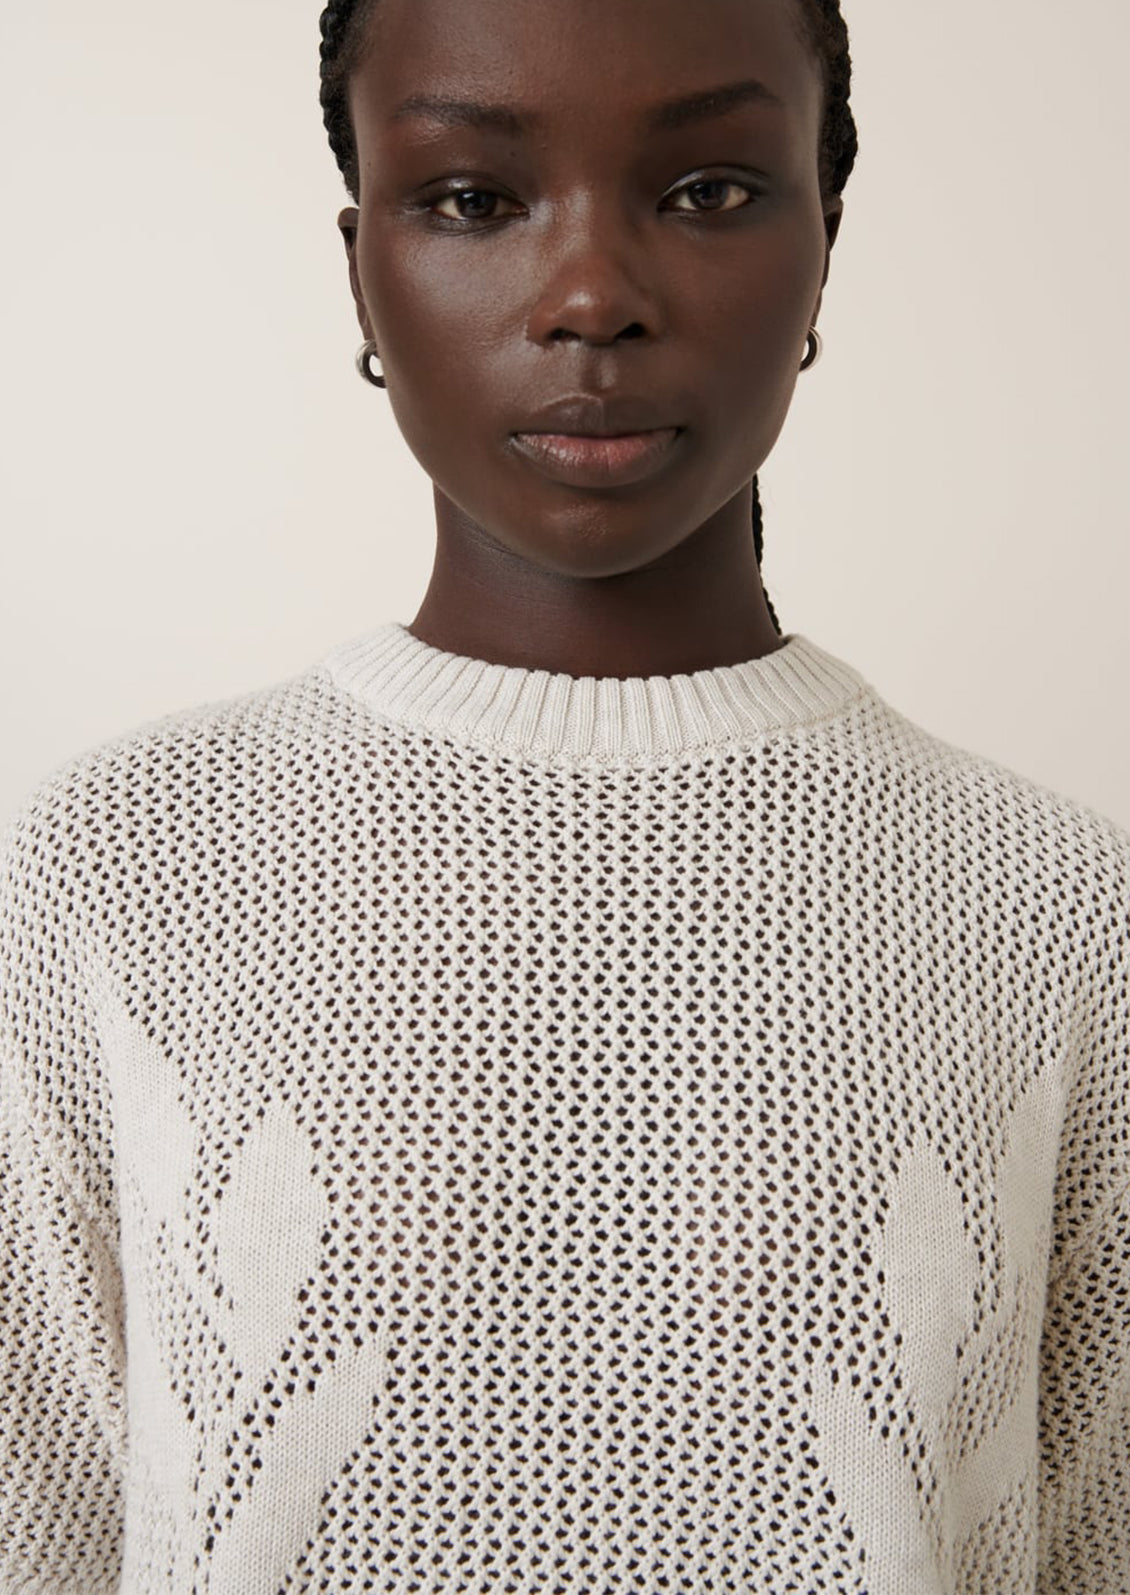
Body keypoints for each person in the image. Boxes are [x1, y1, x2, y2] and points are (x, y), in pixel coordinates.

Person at [1, 0, 1126, 1590]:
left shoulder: (1057, 908)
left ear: (823, 247)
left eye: (710, 191)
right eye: (471, 199)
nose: (592, 296)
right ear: (362, 267)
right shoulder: (121, 865)